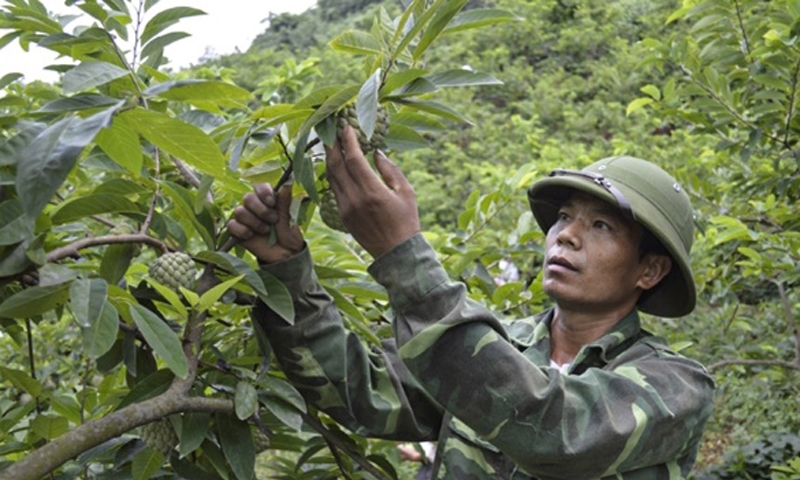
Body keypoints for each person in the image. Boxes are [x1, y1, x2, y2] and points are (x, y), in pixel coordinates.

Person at [228, 125, 715, 479]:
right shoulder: (500, 345)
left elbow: (554, 427)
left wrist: (403, 257)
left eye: (601, 226)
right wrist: (286, 271)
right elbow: (361, 393)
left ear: (650, 270)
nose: (565, 236)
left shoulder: (677, 388)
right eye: (564, 216)